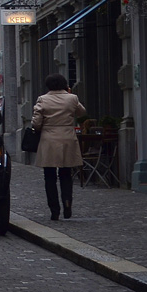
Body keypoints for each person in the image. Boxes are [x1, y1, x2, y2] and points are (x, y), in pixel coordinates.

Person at [31, 73, 86, 221]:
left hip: (49, 140)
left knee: (49, 176)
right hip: (68, 138)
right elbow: (82, 113)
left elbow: (36, 123)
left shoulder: (43, 99)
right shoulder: (72, 98)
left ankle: (54, 210)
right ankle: (67, 204)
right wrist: (70, 95)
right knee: (66, 174)